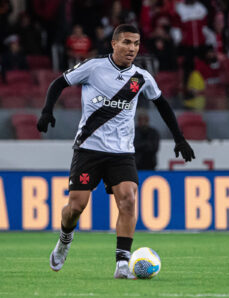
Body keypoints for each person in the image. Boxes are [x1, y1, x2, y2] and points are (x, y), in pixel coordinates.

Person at [37, 24, 195, 279]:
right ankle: (65, 238)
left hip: (122, 152)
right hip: (89, 149)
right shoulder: (94, 67)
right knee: (76, 206)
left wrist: (179, 139)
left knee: (129, 198)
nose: (132, 48)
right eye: (127, 43)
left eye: (136, 43)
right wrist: (47, 111)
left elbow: (162, 105)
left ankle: (122, 263)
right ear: (114, 44)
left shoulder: (141, 77)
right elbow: (58, 83)